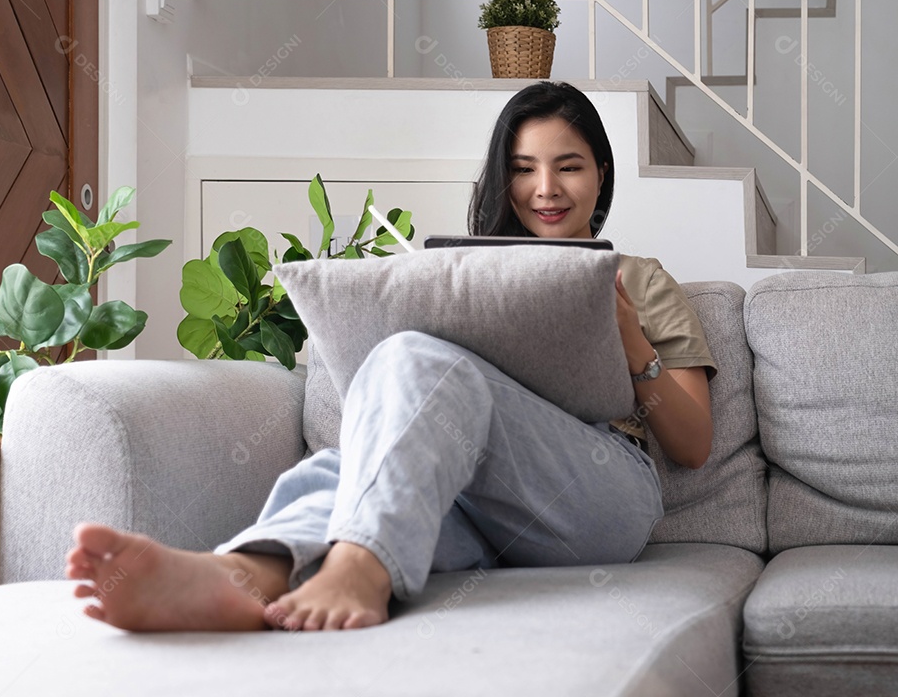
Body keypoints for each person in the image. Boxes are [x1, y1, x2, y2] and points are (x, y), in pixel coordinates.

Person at [65, 81, 717, 633]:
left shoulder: (640, 277)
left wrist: (630, 339)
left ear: (600, 172)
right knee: (359, 466)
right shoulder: (459, 275)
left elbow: (692, 445)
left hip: (593, 498)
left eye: (568, 165)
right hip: (466, 505)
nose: (544, 188)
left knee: (414, 364)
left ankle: (360, 566)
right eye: (522, 168)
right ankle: (244, 573)